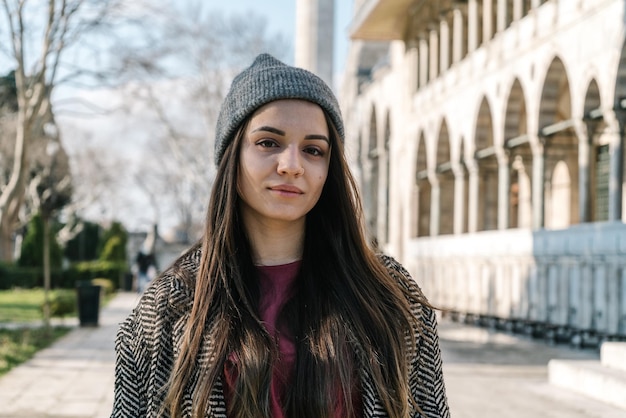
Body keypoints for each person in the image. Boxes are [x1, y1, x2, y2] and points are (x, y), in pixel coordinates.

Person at [111, 53, 450, 418]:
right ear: (232, 156)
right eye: (268, 143)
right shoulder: (169, 306)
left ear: (328, 168)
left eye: (313, 150)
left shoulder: (390, 296)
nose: (292, 165)